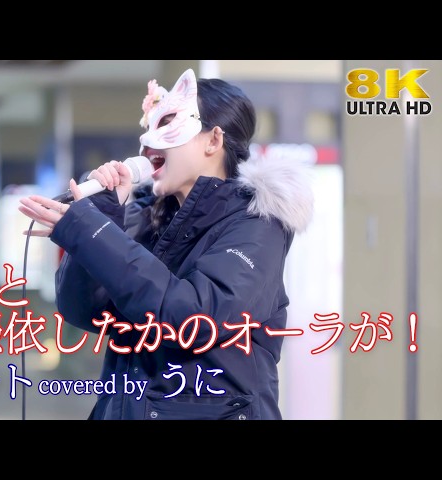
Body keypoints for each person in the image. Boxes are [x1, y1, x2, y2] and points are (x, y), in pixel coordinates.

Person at [18, 68, 314, 420]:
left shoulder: (256, 225)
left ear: (213, 140)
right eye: (148, 126)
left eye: (168, 123)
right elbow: (85, 311)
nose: (148, 141)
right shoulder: (147, 217)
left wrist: (93, 233)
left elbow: (193, 318)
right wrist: (102, 220)